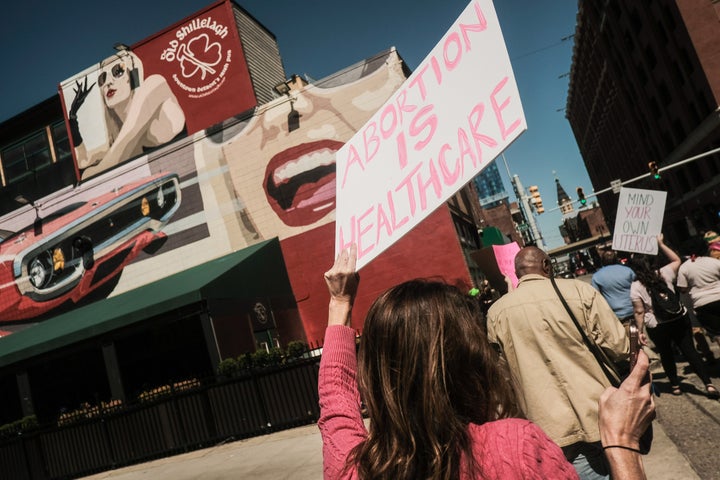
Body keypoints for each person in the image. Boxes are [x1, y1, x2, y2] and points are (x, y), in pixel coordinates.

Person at [320, 245, 654, 480]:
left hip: (550, 423)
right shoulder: (515, 447)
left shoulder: (353, 467)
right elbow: (618, 344)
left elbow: (336, 402)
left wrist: (339, 303)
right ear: (470, 361)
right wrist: (623, 445)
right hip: (597, 421)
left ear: (375, 376)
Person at [486, 247, 629, 480]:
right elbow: (620, 347)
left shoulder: (496, 312)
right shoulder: (579, 291)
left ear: (517, 273)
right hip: (601, 415)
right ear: (546, 266)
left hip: (548, 427)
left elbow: (502, 374)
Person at [67, 49, 186, 180]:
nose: (108, 82)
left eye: (118, 71)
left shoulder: (153, 84)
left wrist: (89, 173)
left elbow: (110, 161)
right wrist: (73, 119)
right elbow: (83, 161)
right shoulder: (119, 135)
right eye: (103, 78)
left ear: (132, 75)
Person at [629, 234, 718, 399]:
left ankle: (675, 386)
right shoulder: (665, 272)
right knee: (690, 351)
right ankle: (708, 384)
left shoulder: (635, 286)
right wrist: (661, 244)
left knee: (666, 354)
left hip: (656, 324)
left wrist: (639, 331)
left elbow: (639, 311)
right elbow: (677, 259)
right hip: (678, 317)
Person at [677, 236, 720, 356]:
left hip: (702, 304)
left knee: (716, 333)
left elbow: (683, 288)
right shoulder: (714, 262)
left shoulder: (684, 267)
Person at [591, 248, 636, 324]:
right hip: (635, 309)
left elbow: (596, 297)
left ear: (602, 261)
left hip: (617, 316)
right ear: (616, 259)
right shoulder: (628, 270)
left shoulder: (596, 277)